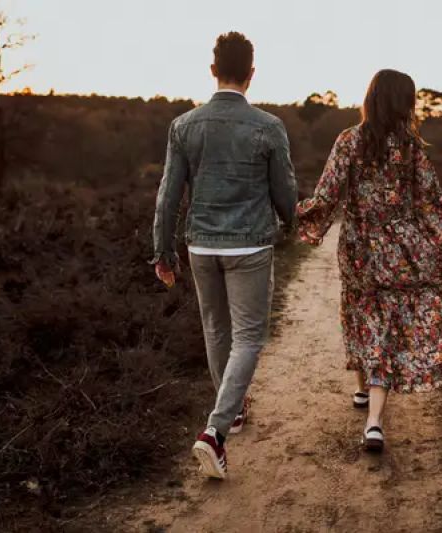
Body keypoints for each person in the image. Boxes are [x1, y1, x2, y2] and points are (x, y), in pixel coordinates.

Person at [296, 69, 442, 451]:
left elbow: (326, 197)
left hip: (358, 251)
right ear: (404, 103)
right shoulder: (410, 148)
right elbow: (432, 205)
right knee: (382, 321)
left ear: (371, 98)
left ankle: (374, 419)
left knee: (361, 311)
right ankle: (366, 403)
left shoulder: (348, 141)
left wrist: (296, 212)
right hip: (402, 250)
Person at [150, 31, 297, 478]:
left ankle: (231, 411)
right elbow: (285, 192)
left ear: (213, 70)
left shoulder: (184, 126)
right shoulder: (269, 127)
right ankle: (215, 431)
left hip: (200, 245)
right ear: (252, 73)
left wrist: (162, 250)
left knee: (216, 329)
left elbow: (168, 195)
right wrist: (296, 223)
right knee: (249, 337)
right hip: (249, 244)